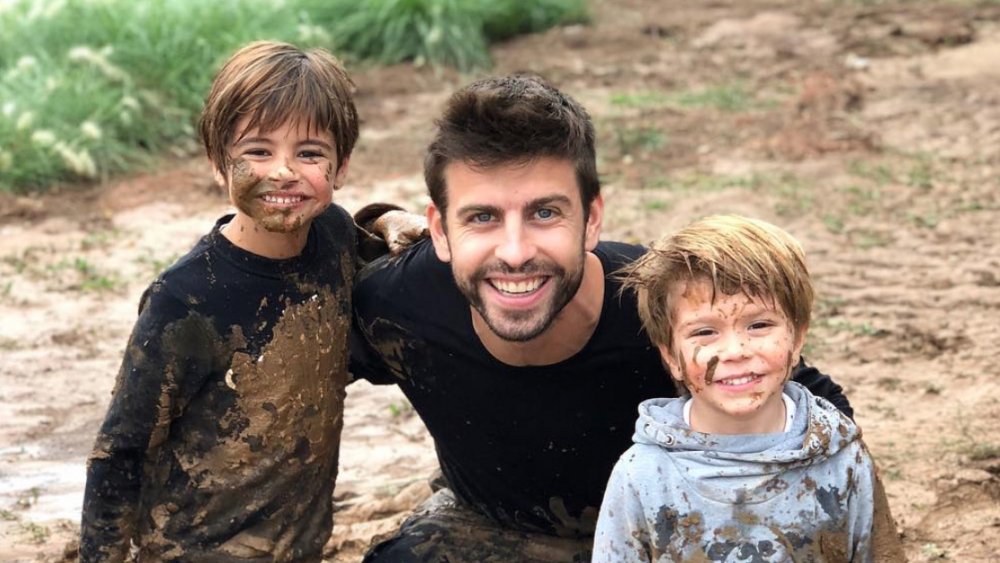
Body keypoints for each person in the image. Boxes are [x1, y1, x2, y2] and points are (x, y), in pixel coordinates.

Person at [350, 74, 854, 561]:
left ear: (591, 219)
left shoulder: (664, 308)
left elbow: (821, 411)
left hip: (667, 528)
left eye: (545, 213)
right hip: (490, 523)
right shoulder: (395, 305)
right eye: (481, 217)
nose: (516, 251)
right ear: (438, 229)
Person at [80, 41, 360, 562]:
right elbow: (121, 453)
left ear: (340, 167)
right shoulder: (184, 300)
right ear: (218, 163)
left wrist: (390, 219)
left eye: (309, 153)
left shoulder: (337, 240)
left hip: (301, 548)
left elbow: (375, 250)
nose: (283, 171)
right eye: (257, 150)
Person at [591, 215, 905, 562]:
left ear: (797, 337)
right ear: (670, 355)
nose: (736, 351)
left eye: (758, 325)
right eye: (704, 332)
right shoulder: (642, 475)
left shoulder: (844, 460)